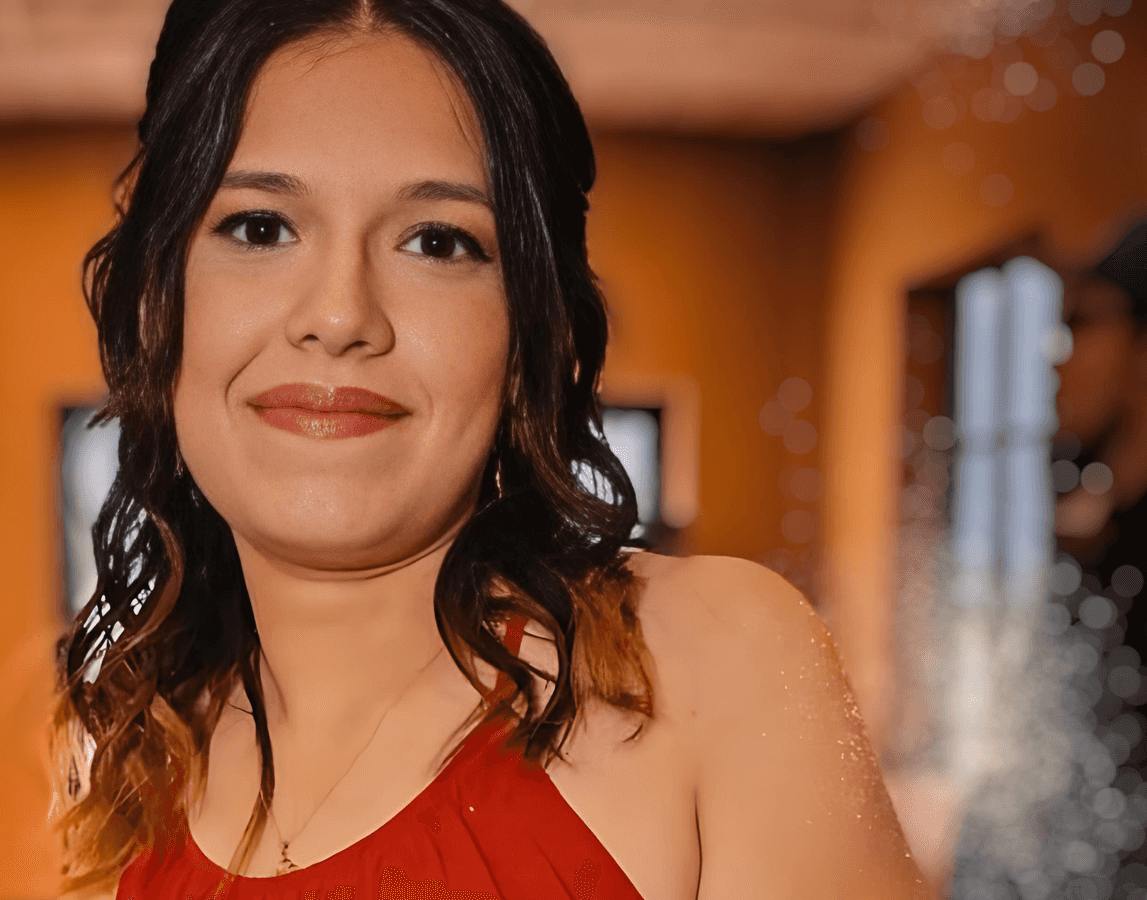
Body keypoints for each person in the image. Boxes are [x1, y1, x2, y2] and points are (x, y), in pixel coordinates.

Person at [50, 1, 928, 897]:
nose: (340, 315)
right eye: (261, 227)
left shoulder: (707, 670)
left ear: (527, 342)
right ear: (158, 309)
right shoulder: (141, 777)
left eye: (438, 241)